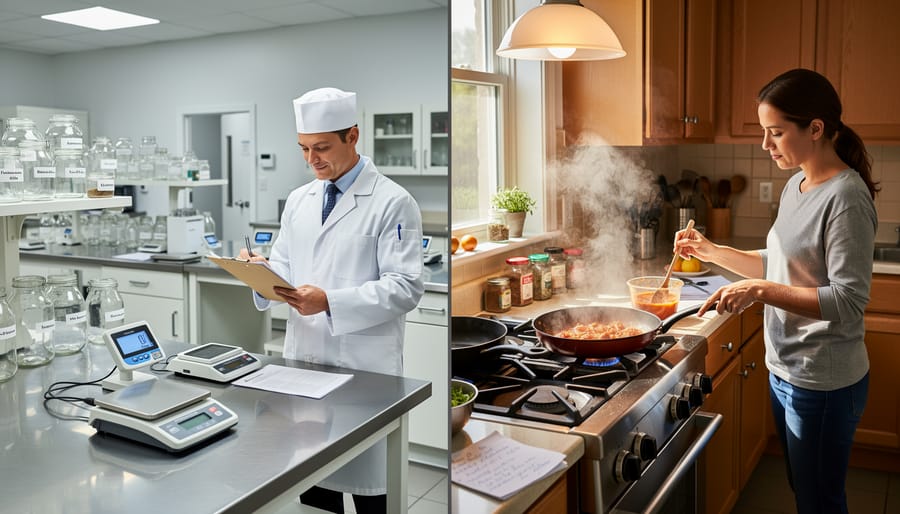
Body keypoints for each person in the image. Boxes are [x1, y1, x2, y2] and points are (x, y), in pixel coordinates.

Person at [674, 68, 878, 514]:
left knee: (819, 500)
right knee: (803, 488)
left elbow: (846, 300)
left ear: (816, 129)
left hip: (823, 380)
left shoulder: (846, 197)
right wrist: (712, 251)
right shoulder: (796, 185)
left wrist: (761, 291)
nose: (766, 144)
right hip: (784, 369)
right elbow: (781, 265)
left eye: (776, 132)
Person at [239, 87, 425, 514]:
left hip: (364, 370)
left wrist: (329, 302)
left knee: (369, 494)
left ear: (353, 136)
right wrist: (258, 272)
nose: (312, 160)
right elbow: (284, 267)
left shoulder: (393, 202)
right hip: (303, 366)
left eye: (321, 148)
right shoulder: (299, 201)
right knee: (314, 490)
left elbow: (406, 286)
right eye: (304, 149)